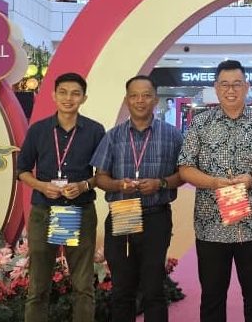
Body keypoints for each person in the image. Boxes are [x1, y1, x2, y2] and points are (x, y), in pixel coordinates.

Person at [178, 59, 252, 322]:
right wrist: (213, 182)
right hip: (211, 226)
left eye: (237, 84)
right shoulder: (200, 123)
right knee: (212, 297)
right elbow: (185, 168)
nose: (231, 90)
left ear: (247, 86)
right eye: (224, 84)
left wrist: (251, 178)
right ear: (216, 88)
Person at [91, 75, 183, 322]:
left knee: (154, 288)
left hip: (156, 217)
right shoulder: (113, 136)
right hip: (123, 213)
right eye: (134, 96)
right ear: (126, 100)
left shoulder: (172, 135)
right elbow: (100, 177)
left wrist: (160, 183)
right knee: (122, 289)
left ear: (155, 99)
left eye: (146, 95)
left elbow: (183, 174)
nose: (140, 100)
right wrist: (118, 185)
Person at [16, 72, 105, 322]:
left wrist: (84, 185)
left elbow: (103, 175)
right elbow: (21, 171)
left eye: (75, 93)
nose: (69, 98)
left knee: (83, 285)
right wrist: (42, 186)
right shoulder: (38, 130)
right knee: (38, 285)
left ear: (84, 98)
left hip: (80, 211)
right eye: (63, 92)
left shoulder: (95, 130)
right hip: (44, 211)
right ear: (54, 95)